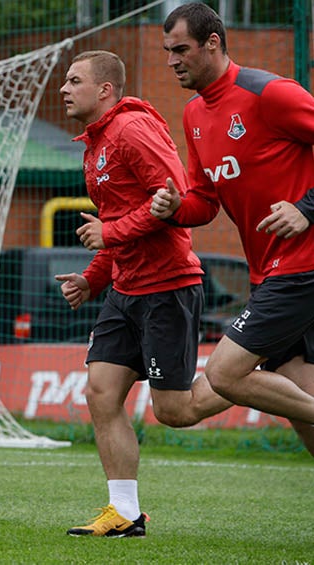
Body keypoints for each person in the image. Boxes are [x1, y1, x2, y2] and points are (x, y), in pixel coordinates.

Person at [54, 51, 235, 537]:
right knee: (100, 392)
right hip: (124, 290)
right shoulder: (94, 145)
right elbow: (115, 223)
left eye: (74, 81)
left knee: (173, 411)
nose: (64, 89)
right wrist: (92, 279)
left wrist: (109, 236)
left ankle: (251, 373)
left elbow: (172, 200)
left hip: (168, 287)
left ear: (106, 90)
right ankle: (125, 513)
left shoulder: (132, 130)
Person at [151, 3, 314, 452]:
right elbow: (204, 202)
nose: (172, 61)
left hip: (302, 266)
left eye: (181, 49)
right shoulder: (193, 114)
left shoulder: (270, 93)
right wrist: (174, 209)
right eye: (167, 51)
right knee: (303, 411)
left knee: (225, 374)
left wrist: (308, 208)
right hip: (267, 274)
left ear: (213, 43)